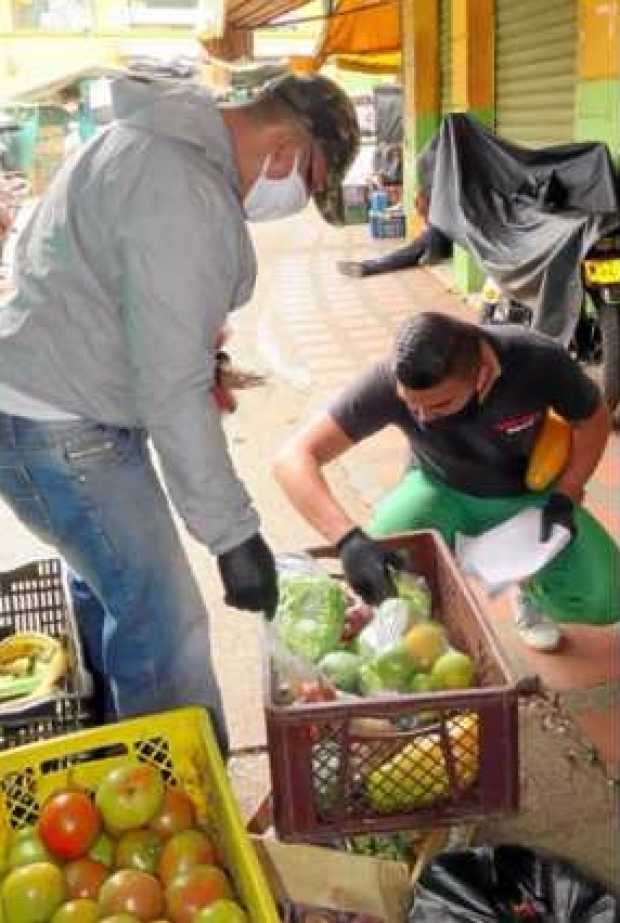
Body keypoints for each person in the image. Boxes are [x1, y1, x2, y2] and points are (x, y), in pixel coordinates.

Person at [0, 72, 359, 752]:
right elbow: (172, 392)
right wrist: (233, 536)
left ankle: (116, 744)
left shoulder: (146, 139)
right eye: (309, 184)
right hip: (60, 427)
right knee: (167, 622)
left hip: (43, 402)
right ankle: (182, 795)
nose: (296, 201)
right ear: (284, 146)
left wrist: (197, 361)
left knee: (114, 586)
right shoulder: (185, 190)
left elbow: (115, 294)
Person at [274, 312, 619, 652]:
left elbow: (592, 420)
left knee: (607, 598)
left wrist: (568, 491)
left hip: (529, 495)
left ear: (483, 375)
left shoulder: (538, 359)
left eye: (438, 405)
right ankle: (421, 624)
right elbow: (293, 457)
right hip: (439, 489)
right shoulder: (388, 379)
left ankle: (528, 592)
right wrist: (347, 539)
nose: (422, 418)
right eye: (412, 406)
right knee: (386, 569)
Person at [338, 134, 451, 279]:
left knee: (416, 247)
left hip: (442, 235)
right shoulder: (433, 177)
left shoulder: (441, 177)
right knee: (414, 248)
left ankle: (368, 266)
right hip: (438, 232)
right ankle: (368, 266)